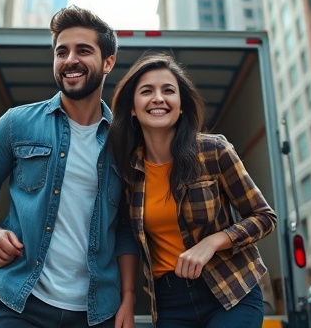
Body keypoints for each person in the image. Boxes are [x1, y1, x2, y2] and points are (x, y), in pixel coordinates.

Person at [0, 5, 139, 328]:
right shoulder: (16, 124)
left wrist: (128, 297)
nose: (70, 60)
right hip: (20, 302)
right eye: (61, 52)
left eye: (83, 50)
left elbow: (126, 229)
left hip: (96, 312)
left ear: (108, 62)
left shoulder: (124, 143)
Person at [107, 52, 278, 328]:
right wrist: (126, 297)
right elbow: (126, 234)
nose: (159, 98)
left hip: (230, 288)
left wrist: (212, 242)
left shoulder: (214, 151)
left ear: (182, 105)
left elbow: (264, 217)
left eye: (168, 91)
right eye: (147, 91)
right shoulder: (129, 170)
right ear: (132, 108)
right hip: (169, 301)